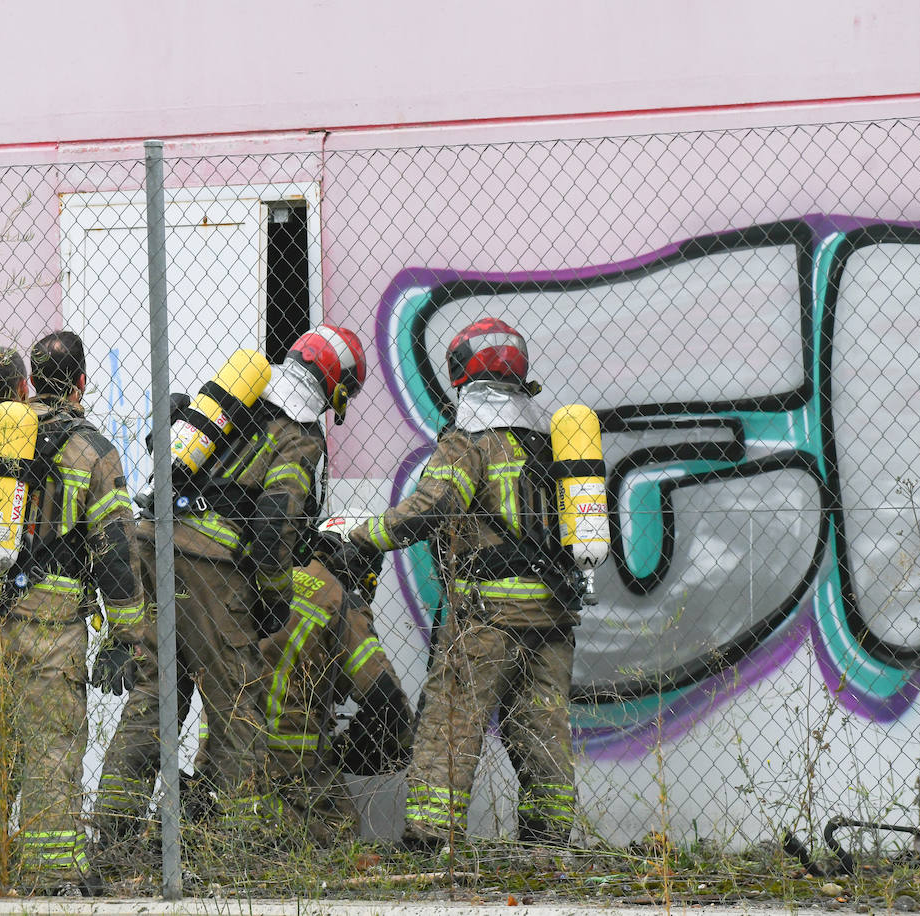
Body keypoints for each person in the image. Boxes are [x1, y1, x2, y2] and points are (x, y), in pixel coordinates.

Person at [93, 325, 367, 846]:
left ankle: (110, 837)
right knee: (239, 704)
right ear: (335, 387)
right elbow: (273, 526)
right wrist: (273, 597)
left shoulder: (237, 399)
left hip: (151, 542)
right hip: (209, 566)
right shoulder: (299, 435)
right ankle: (236, 848)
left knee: (155, 695)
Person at [347, 317, 580, 850]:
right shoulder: (549, 440)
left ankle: (430, 841)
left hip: (490, 613)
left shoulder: (471, 439)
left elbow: (432, 507)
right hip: (554, 612)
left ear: (462, 373)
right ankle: (547, 844)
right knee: (541, 726)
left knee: (450, 718)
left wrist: (362, 537)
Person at [0, 335, 145, 892]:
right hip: (52, 626)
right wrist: (126, 636)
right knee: (52, 745)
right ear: (80, 383)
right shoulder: (93, 451)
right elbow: (115, 552)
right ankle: (50, 873)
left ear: (30, 382)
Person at [192, 523, 413, 847]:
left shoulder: (263, 578)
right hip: (290, 764)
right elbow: (384, 696)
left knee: (232, 830)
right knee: (340, 836)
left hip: (221, 750)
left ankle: (222, 831)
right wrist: (401, 744)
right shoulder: (338, 600)